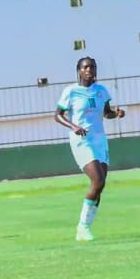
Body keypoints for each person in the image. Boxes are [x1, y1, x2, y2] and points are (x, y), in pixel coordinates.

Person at [55, 57, 125, 241]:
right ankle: (82, 227)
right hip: (81, 140)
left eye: (92, 67)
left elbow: (106, 113)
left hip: (99, 140)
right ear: (79, 71)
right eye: (86, 67)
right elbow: (58, 115)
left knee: (100, 185)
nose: (90, 70)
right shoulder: (71, 91)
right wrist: (73, 126)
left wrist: (116, 114)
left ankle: (85, 229)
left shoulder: (101, 91)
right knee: (98, 180)